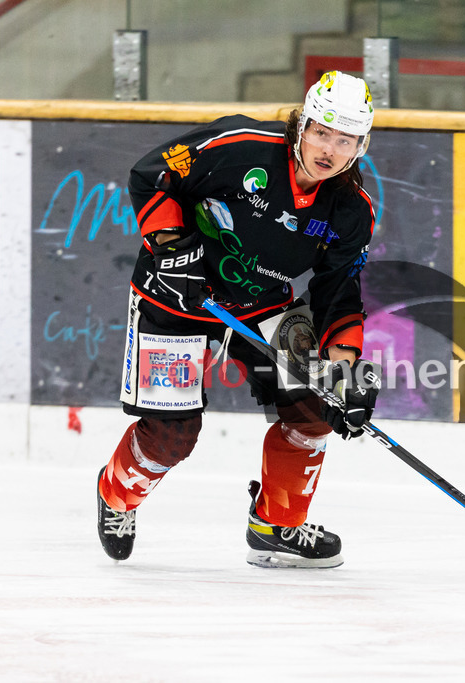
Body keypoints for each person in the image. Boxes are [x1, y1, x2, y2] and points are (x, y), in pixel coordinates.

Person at [96, 71, 382, 569]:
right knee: (171, 437)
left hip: (263, 303)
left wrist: (343, 368)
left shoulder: (350, 210)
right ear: (302, 125)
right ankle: (117, 495)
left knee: (317, 404)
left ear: (361, 144)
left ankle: (278, 525)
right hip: (175, 294)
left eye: (344, 139)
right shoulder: (239, 145)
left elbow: (338, 290)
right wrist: (170, 248)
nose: (328, 149)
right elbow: (152, 175)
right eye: (320, 131)